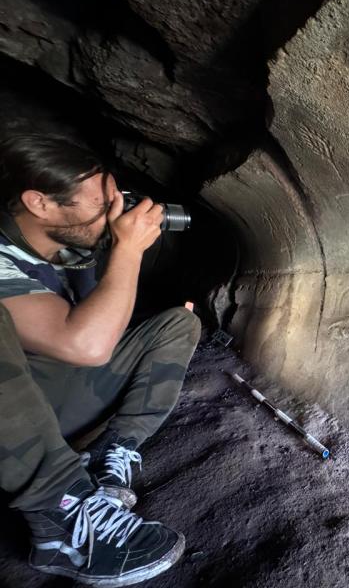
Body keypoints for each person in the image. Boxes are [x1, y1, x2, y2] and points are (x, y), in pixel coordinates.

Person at [0, 134, 201, 586]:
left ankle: (113, 452)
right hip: (11, 429)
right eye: (101, 202)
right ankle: (60, 522)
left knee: (177, 324)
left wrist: (107, 252)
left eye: (117, 197)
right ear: (41, 203)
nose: (116, 211)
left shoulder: (68, 248)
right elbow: (85, 347)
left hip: (45, 399)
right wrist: (128, 252)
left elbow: (101, 333)